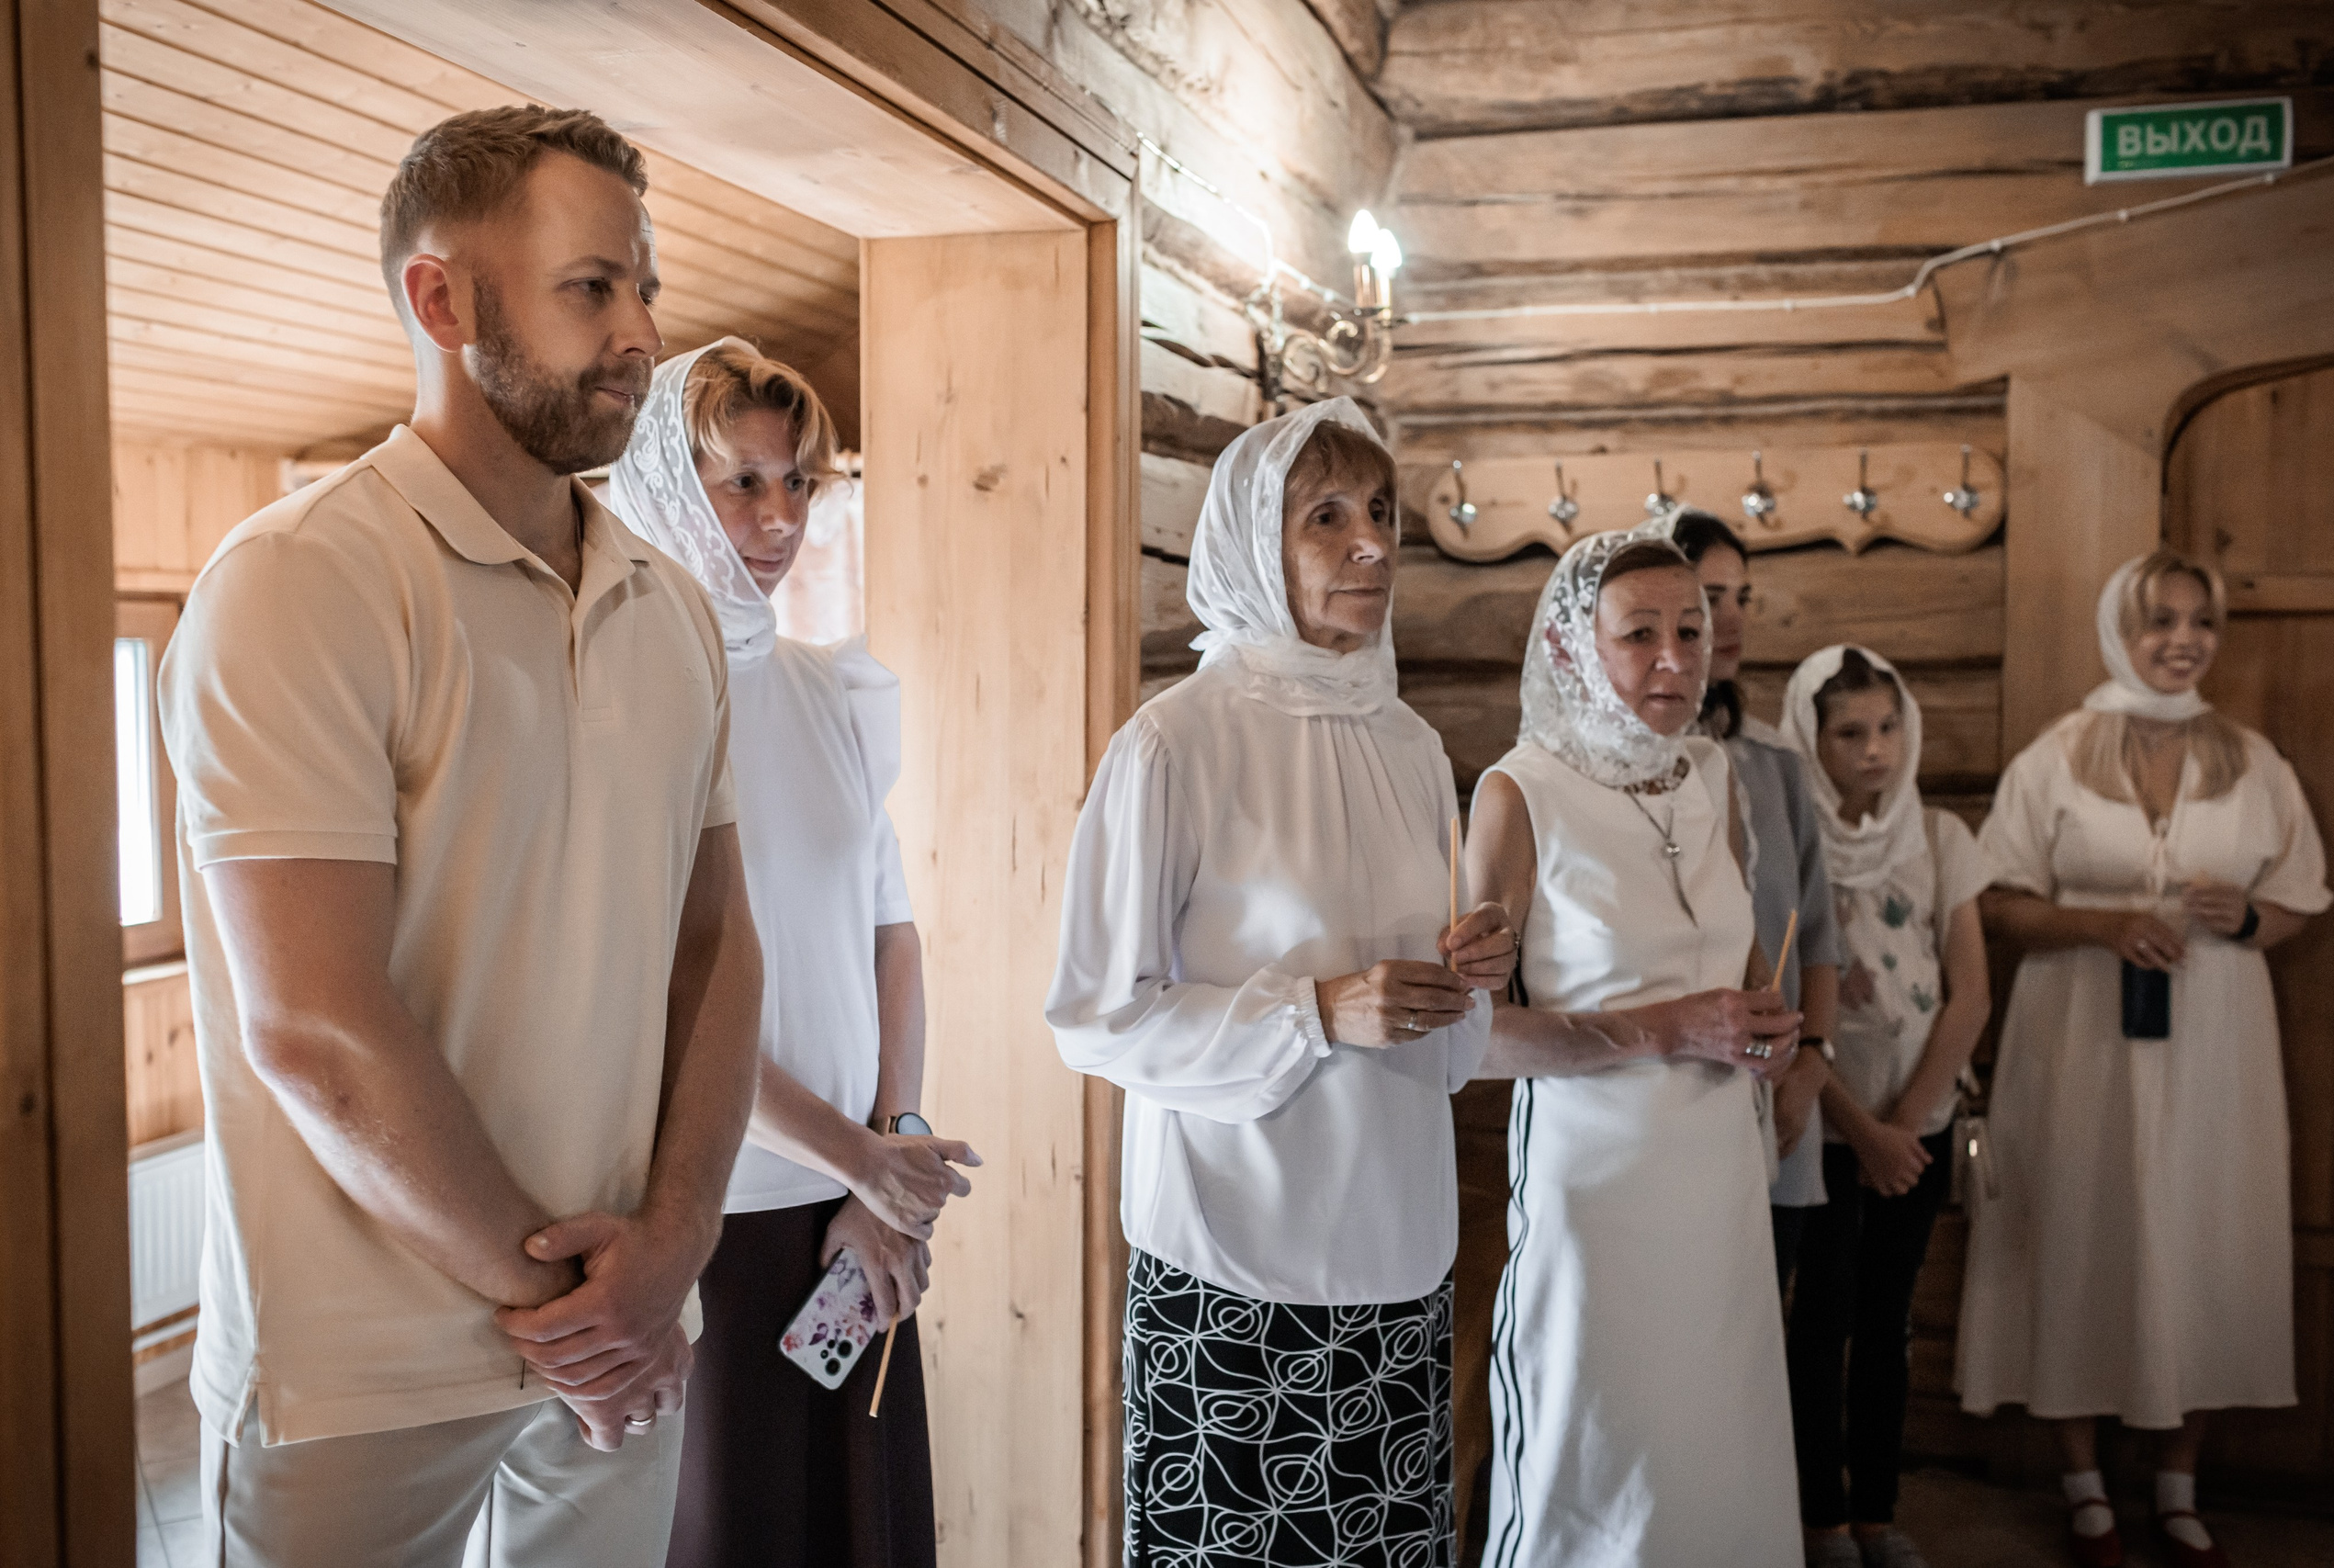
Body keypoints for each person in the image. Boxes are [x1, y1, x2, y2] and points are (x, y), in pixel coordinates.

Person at [157, 107, 763, 1565]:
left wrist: (673, 1248)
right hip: (359, 1367)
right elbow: (311, 1018)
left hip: (623, 1326)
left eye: (644, 285)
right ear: (441, 299)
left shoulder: (670, 605)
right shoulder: (300, 580)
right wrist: (589, 1313)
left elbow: (716, 946)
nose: (641, 331)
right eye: (590, 287)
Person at [1045, 399, 1516, 1568]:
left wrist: (1473, 974)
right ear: (1257, 543)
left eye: (1381, 513)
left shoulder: (1409, 745)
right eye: (1326, 517)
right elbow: (1096, 1015)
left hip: (1398, 1251)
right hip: (1234, 1260)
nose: (1370, 544)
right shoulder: (1174, 743)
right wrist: (1313, 1012)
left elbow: (1442, 1033)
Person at [608, 339, 977, 1568]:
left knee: (866, 1526)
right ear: (665, 483)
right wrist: (862, 1159)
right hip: (712, 1212)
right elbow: (662, 1008)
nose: (780, 520)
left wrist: (896, 1146)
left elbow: (893, 934)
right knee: (740, 1529)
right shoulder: (626, 704)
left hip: (857, 1205)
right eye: (742, 484)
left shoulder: (825, 688)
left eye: (799, 484)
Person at [1955, 553, 2332, 1568]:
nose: (2181, 640)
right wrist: (2104, 923)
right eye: (2159, 620)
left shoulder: (2252, 760)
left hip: (2215, 1040)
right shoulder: (2056, 755)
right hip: (2077, 1035)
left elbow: (2299, 898)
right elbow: (1994, 903)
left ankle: (2177, 1483)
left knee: (2207, 1231)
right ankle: (2082, 1483)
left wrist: (2248, 914)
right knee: (2082, 1222)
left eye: (2199, 622)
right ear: (2117, 628)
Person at [1468, 518, 1805, 1568]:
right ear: (1572, 646)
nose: (1674, 660)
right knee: (1599, 1460)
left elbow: (1743, 971)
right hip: (1596, 1195)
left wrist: (1770, 1033)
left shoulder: (1708, 776)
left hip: (1718, 1183)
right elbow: (1472, 1040)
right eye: (1638, 634)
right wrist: (1668, 1030)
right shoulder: (1518, 791)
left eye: (1691, 630)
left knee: (1717, 1448)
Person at [1778, 647, 1990, 1568]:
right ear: (1810, 741)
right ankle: (1820, 1519)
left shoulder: (1940, 837)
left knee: (1888, 1321)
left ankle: (1878, 1511)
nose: (1874, 750)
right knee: (1819, 1319)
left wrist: (1903, 1126)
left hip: (1917, 1129)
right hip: (1827, 1130)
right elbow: (1785, 1005)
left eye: (1888, 727)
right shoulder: (1795, 844)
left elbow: (1969, 994)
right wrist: (1859, 1130)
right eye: (1849, 733)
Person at [1673, 509, 1844, 1292]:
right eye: (1712, 595)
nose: (1734, 617)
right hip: (1669, 1087)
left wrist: (1812, 1064)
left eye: (1743, 594)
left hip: (1776, 1090)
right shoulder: (1624, 771)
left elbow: (1816, 931)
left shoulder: (1774, 760)